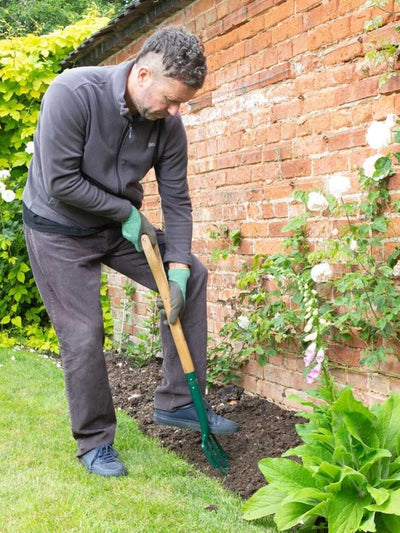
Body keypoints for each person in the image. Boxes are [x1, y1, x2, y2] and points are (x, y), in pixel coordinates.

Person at [22, 25, 238, 477]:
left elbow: (177, 199)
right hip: (57, 228)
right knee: (84, 333)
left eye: (182, 102)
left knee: (193, 275)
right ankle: (95, 441)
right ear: (142, 76)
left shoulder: (167, 125)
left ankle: (179, 401)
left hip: (119, 228)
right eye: (171, 98)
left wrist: (176, 267)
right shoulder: (73, 93)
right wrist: (123, 211)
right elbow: (60, 183)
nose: (176, 110)